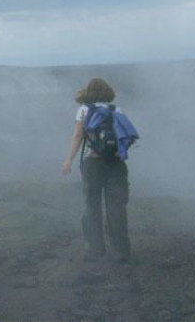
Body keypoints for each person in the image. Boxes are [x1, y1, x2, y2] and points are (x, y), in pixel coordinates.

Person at [62, 78, 136, 263]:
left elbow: (78, 136)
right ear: (107, 91)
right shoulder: (116, 110)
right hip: (116, 164)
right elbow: (127, 137)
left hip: (93, 163)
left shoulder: (84, 110)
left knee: (92, 206)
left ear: (88, 92)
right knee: (117, 208)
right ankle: (121, 252)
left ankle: (95, 249)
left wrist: (69, 160)